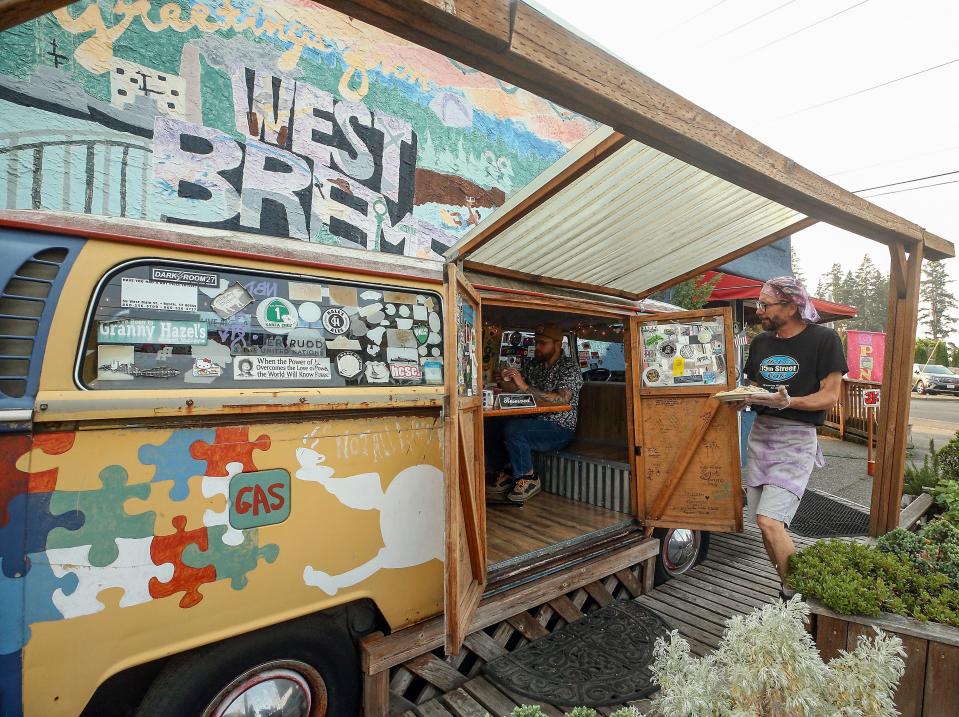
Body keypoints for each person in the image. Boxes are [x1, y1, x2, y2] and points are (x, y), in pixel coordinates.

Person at [737, 277, 848, 600]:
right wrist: (744, 398)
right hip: (761, 438)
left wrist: (789, 402)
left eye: (765, 305)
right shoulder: (761, 344)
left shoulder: (824, 339)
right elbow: (754, 388)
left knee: (769, 521)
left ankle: (797, 597)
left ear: (791, 305)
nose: (759, 311)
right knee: (765, 526)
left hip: (797, 439)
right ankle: (787, 586)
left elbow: (829, 396)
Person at [486, 324, 583, 504]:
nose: (537, 347)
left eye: (542, 343)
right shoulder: (534, 364)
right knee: (492, 424)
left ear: (557, 344)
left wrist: (524, 386)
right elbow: (515, 387)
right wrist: (505, 379)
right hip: (531, 420)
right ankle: (505, 470)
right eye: (536, 342)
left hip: (559, 428)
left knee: (515, 429)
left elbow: (562, 399)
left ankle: (528, 478)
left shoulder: (569, 368)